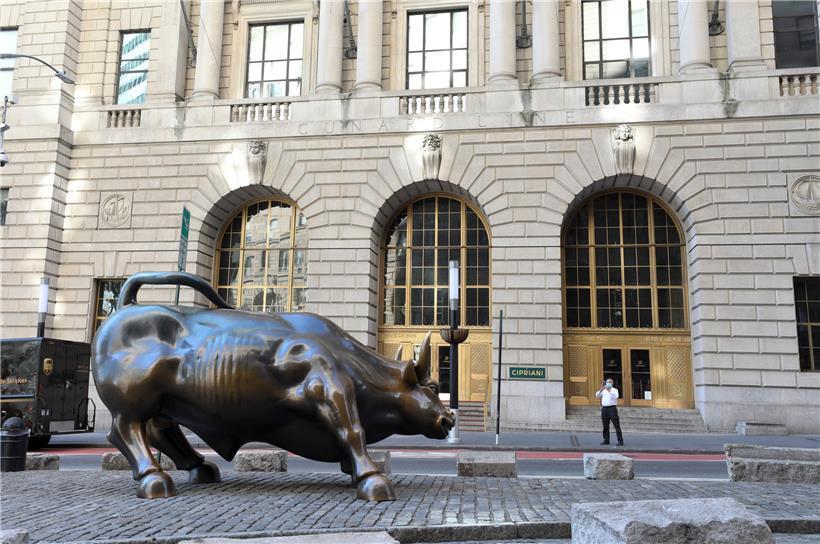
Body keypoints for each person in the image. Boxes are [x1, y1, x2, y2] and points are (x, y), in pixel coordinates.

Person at [595, 378, 624, 446]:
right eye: (607, 382)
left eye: (610, 382)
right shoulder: (603, 390)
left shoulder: (614, 390)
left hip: (612, 409)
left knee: (616, 425)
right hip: (604, 409)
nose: (608, 383)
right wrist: (601, 389)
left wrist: (609, 390)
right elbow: (597, 396)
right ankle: (606, 440)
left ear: (612, 383)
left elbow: (616, 397)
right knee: (605, 425)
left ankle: (620, 441)